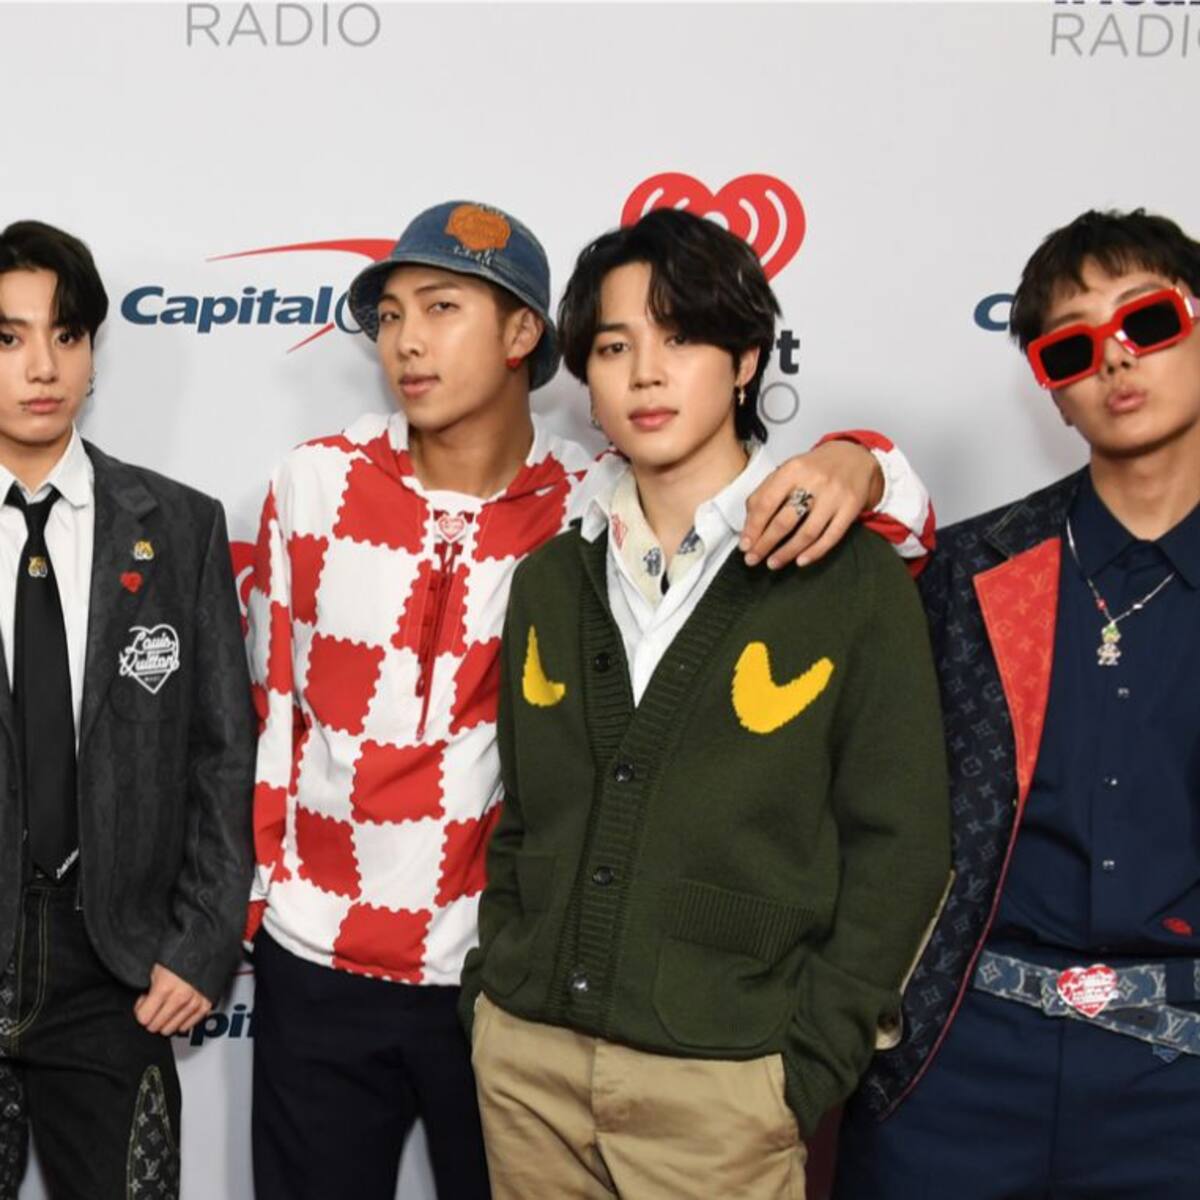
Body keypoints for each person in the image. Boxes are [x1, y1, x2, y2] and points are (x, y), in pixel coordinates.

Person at [245, 198, 938, 1200]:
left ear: (525, 335)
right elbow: (277, 708)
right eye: (390, 315)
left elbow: (900, 833)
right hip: (376, 974)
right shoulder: (337, 489)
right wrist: (262, 901)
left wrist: (860, 461)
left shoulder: (577, 497)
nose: (408, 341)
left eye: (441, 308)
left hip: (524, 986)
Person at [459, 207, 951, 1199]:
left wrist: (805, 1068)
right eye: (614, 347)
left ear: (746, 360)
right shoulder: (553, 576)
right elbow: (525, 814)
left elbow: (901, 846)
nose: (646, 373)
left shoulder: (849, 576)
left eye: (681, 337)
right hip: (526, 1064)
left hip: (727, 1088)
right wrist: (492, 1000)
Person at [835, 208, 1200, 1200]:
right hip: (962, 1061)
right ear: (1056, 398)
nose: (1115, 359)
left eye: (1148, 322)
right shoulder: (973, 572)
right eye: (1072, 349)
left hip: (1180, 1083)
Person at [0, 220, 255, 1199]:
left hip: (115, 967)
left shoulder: (180, 527)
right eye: (10, 338)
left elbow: (222, 752)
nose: (43, 366)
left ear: (93, 352)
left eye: (67, 335)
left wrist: (201, 942)